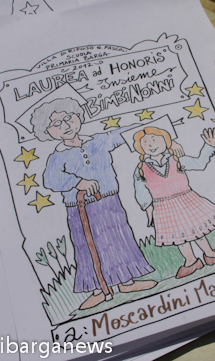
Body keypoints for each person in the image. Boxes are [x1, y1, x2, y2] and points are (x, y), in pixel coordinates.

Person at [32, 97, 159, 310]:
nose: (65, 125)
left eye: (68, 118)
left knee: (119, 239)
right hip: (81, 209)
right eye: (56, 123)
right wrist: (77, 182)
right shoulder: (57, 157)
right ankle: (98, 289)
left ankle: (126, 281)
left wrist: (151, 127)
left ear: (78, 117)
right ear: (47, 131)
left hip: (109, 202)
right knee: (88, 247)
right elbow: (50, 180)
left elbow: (121, 135)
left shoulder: (97, 141)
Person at [132, 126, 215, 279]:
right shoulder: (141, 168)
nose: (151, 144)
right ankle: (191, 261)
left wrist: (209, 146)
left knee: (196, 229)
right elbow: (140, 189)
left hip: (186, 200)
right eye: (145, 142)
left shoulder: (176, 159)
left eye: (154, 139)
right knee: (178, 235)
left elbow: (199, 164)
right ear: (140, 147)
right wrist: (148, 207)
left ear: (166, 141)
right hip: (163, 206)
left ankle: (210, 254)